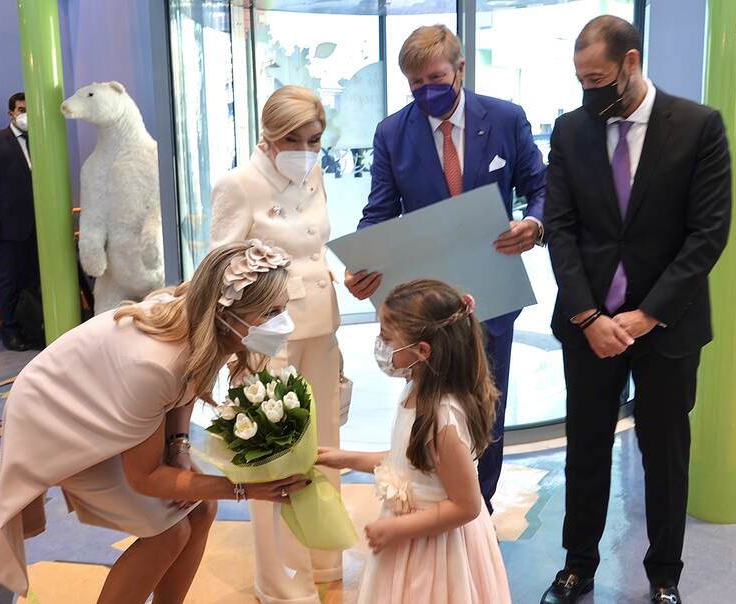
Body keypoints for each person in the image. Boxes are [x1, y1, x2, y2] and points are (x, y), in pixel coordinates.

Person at [0, 240, 310, 603]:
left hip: (110, 403)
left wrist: (178, 444)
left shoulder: (211, 325)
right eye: (269, 313)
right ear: (229, 312)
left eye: (282, 308)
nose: (282, 323)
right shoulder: (155, 365)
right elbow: (144, 478)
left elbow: (187, 385)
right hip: (58, 421)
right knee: (166, 534)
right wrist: (243, 489)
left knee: (202, 508)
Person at [541, 16, 731, 604]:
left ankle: (664, 575)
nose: (588, 90)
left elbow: (708, 234)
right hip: (589, 326)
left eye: (596, 77)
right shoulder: (571, 130)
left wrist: (647, 314)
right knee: (586, 447)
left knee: (666, 453)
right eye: (579, 79)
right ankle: (578, 564)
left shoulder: (698, 127)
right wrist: (587, 317)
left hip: (666, 327)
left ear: (630, 62)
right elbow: (561, 228)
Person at [345, 25, 547, 513]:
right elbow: (379, 211)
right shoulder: (393, 133)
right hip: (429, 304)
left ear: (460, 69)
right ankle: (436, 497)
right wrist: (361, 264)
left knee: (485, 403)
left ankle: (480, 508)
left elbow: (542, 186)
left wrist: (535, 224)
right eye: (414, 84)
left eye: (434, 78)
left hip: (493, 287)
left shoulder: (504, 118)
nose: (425, 91)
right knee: (432, 403)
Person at [210, 85, 342, 604]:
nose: (308, 151)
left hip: (322, 332)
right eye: (298, 140)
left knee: (323, 450)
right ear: (272, 135)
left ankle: (326, 563)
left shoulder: (313, 173)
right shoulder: (238, 184)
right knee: (273, 460)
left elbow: (314, 249)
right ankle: (280, 583)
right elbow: (219, 270)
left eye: (315, 140)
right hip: (268, 342)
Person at [318, 279, 511, 603]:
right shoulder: (415, 388)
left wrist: (396, 530)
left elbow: (466, 506)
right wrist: (345, 458)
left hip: (438, 549)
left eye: (387, 337)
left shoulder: (443, 419)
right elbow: (409, 461)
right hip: (414, 537)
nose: (380, 344)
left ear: (422, 351)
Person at [0, 92, 40, 351]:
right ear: (11, 113)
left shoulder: (41, 140)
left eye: (29, 109)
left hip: (40, 224)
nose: (25, 115)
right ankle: (10, 331)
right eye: (21, 109)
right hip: (10, 224)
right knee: (10, 280)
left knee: (35, 279)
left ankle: (34, 327)